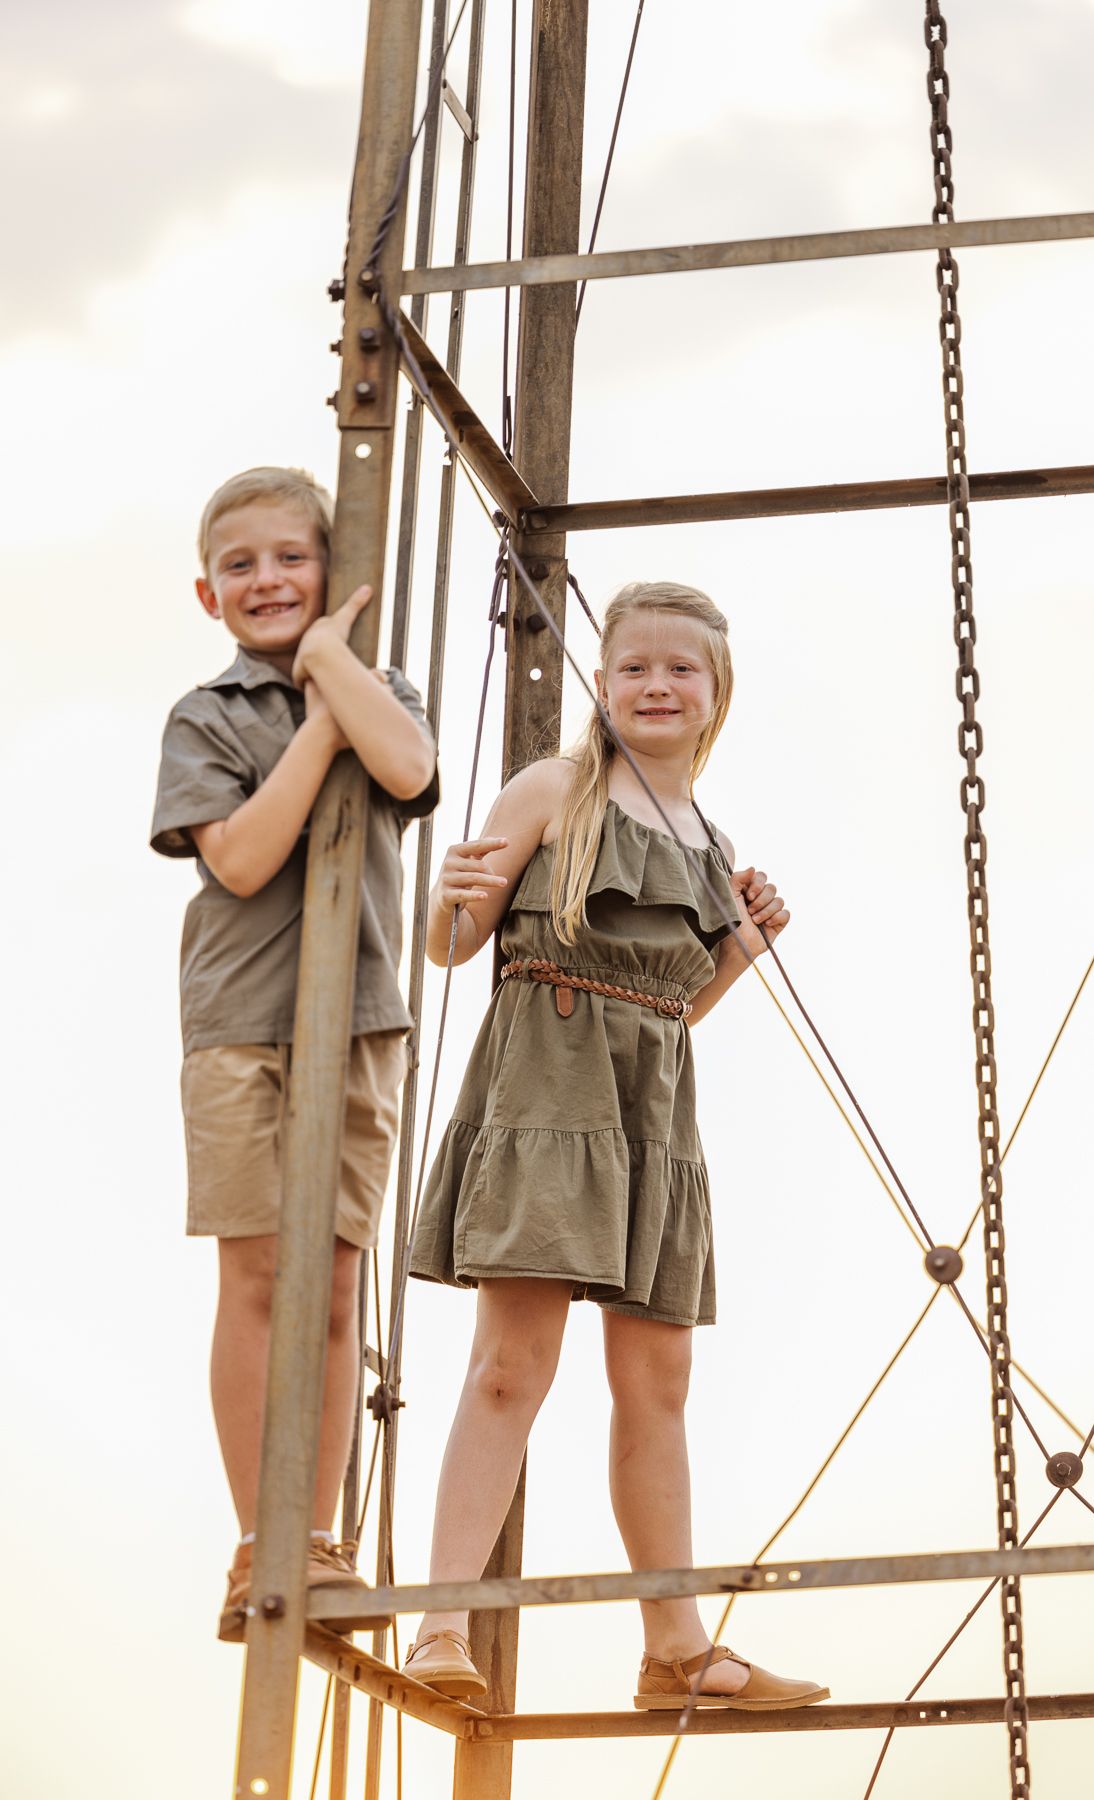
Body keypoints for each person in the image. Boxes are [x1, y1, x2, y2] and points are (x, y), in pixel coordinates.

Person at [404, 581, 828, 1712]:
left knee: (660, 1378)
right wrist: (449, 898)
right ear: (603, 684)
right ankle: (439, 1625)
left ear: (713, 694)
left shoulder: (712, 841)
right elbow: (454, 948)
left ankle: (675, 1649)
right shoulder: (559, 787)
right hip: (546, 1088)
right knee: (511, 1366)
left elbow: (671, 1014)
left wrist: (742, 948)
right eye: (633, 665)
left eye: (679, 669)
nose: (655, 684)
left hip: (651, 1115)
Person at [150, 466, 439, 1642]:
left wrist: (333, 668)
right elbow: (243, 859)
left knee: (333, 1293)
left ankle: (315, 1538)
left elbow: (410, 772)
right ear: (208, 593)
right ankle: (260, 1538)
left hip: (360, 1016)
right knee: (260, 1277)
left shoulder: (384, 689)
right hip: (240, 1019)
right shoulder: (205, 715)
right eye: (241, 566)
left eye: (290, 558)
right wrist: (320, 709)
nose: (266, 579)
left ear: (331, 575)